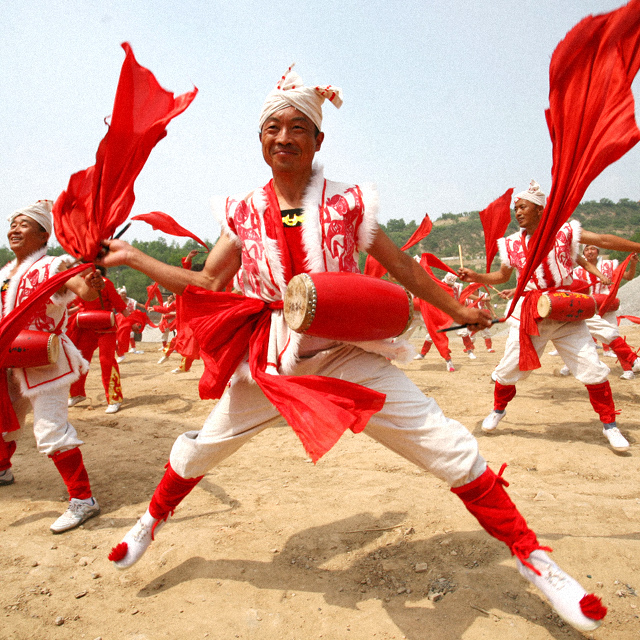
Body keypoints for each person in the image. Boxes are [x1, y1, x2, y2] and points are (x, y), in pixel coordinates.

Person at [100, 69, 606, 632]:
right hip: (270, 360)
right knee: (204, 447)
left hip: (346, 352)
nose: (284, 138)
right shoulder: (242, 212)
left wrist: (460, 309)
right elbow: (207, 283)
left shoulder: (349, 204)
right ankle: (148, 521)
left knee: (450, 447)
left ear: (318, 140)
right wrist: (132, 258)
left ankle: (535, 559)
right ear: (260, 139)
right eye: (273, 128)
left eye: (298, 127)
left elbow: (402, 267)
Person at [458, 180, 640, 453]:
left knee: (592, 368)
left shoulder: (565, 232)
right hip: (531, 313)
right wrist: (477, 276)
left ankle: (610, 425)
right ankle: (498, 410)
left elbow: (602, 240)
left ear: (540, 209)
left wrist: (637, 245)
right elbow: (502, 276)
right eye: (515, 208)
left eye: (523, 207)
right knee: (508, 370)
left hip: (567, 311)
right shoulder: (511, 244)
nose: (517, 212)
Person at [0, 200, 102, 532]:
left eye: (23, 224)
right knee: (4, 422)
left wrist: (93, 283)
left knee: (50, 431)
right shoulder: (4, 273)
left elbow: (83, 290)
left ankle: (83, 500)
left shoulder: (56, 265)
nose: (14, 228)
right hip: (10, 362)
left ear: (44, 234)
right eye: (12, 223)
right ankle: (3, 469)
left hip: (46, 361)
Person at [568, 246, 639, 380]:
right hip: (588, 309)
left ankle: (628, 369)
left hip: (607, 305)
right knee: (581, 338)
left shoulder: (609, 265)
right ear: (583, 253)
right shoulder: (577, 271)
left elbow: (628, 277)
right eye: (587, 249)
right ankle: (573, 367)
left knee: (614, 337)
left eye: (593, 249)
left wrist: (633, 263)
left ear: (598, 251)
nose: (590, 252)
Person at [67, 267, 128, 413]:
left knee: (106, 361)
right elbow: (77, 305)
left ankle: (114, 398)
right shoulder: (79, 285)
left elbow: (119, 305)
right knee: (80, 359)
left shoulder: (106, 283)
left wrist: (132, 322)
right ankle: (77, 393)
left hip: (105, 326)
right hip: (85, 326)